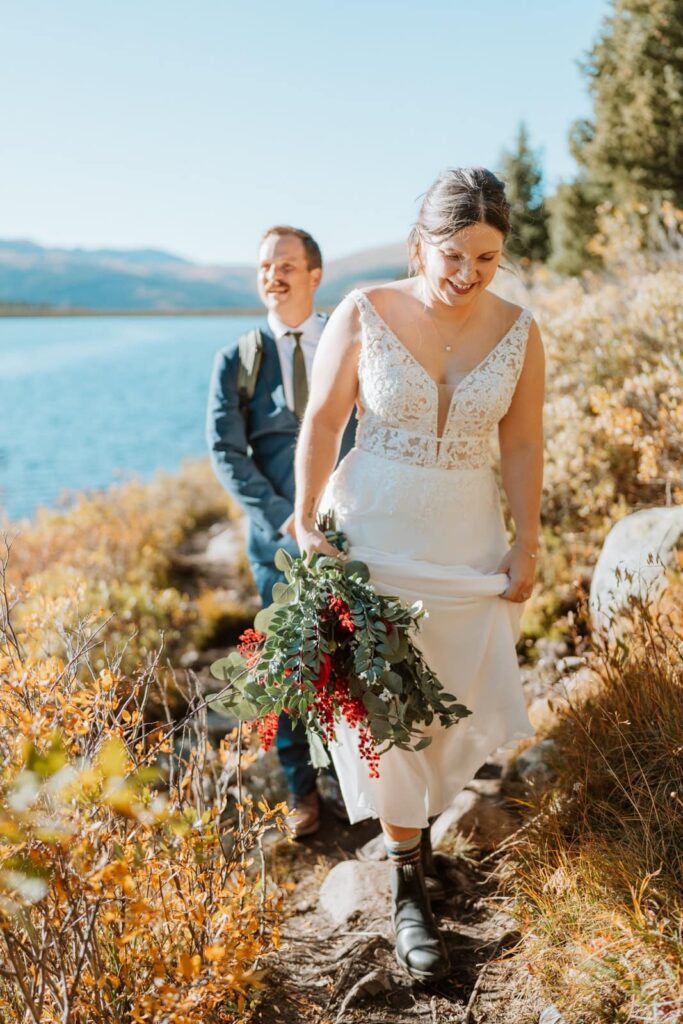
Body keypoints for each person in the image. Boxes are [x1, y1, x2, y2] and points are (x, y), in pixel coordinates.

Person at [293, 168, 544, 979]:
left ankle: (422, 838)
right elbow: (325, 418)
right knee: (382, 705)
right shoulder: (365, 311)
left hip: (465, 545)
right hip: (370, 536)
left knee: (442, 703)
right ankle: (407, 887)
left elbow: (521, 444)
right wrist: (304, 518)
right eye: (453, 254)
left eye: (487, 257)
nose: (468, 274)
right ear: (419, 243)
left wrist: (526, 542)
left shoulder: (519, 330)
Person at [206, 225, 357, 838]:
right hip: (277, 543)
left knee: (360, 652)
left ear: (315, 276)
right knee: (292, 664)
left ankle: (366, 782)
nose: (274, 275)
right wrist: (284, 515)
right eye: (265, 265)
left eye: (287, 264)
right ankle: (302, 791)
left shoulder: (347, 343)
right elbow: (225, 452)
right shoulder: (238, 359)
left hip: (352, 532)